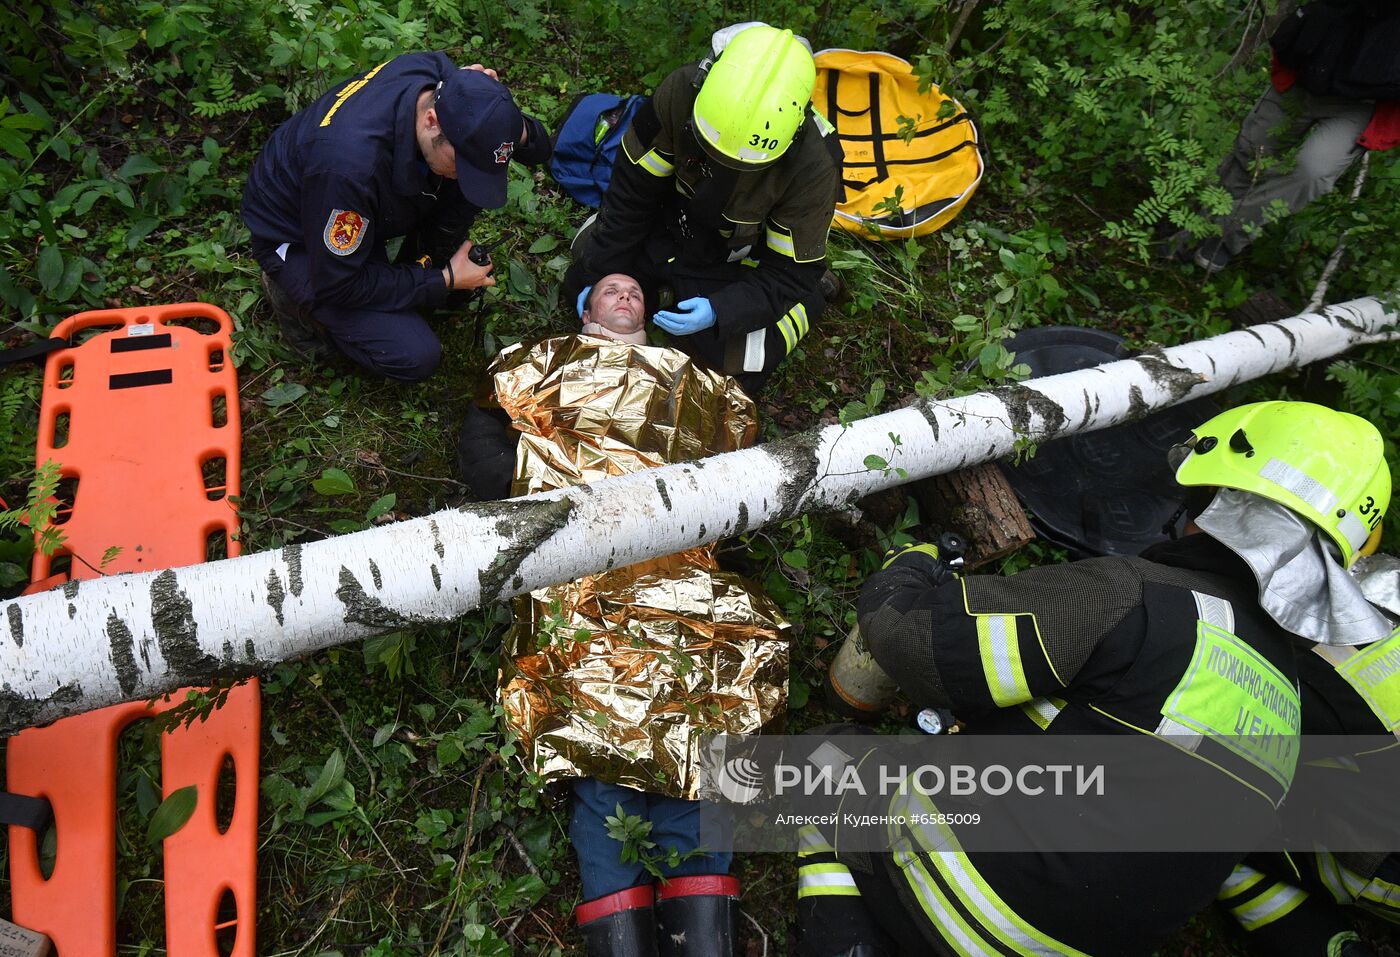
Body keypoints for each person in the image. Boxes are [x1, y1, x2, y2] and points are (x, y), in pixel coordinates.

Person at [797, 401, 1392, 956]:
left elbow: (917, 645)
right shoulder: (1289, 699)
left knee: (818, 757)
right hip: (1087, 947)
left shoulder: (1130, 595)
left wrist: (907, 572)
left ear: (1212, 494)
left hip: (970, 899)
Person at [563, 22, 843, 396]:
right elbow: (631, 196)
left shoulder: (813, 166)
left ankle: (813, 299)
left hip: (733, 263)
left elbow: (788, 274)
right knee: (584, 267)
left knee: (736, 358)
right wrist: (594, 274)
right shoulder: (679, 93)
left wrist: (722, 310)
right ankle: (649, 286)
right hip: (666, 228)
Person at [241, 53, 551, 381]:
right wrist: (445, 279)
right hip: (298, 233)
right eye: (461, 163)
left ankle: (412, 274)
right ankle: (292, 297)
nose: (462, 175)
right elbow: (340, 284)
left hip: (355, 197)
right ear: (432, 120)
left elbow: (540, 147)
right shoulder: (349, 170)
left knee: (464, 189)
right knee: (414, 355)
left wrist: (496, 109)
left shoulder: (440, 78)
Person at [1192, 1, 1400, 272]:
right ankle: (1195, 227)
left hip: (1362, 103)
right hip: (1306, 75)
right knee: (1252, 152)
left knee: (1312, 171)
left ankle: (1226, 236)